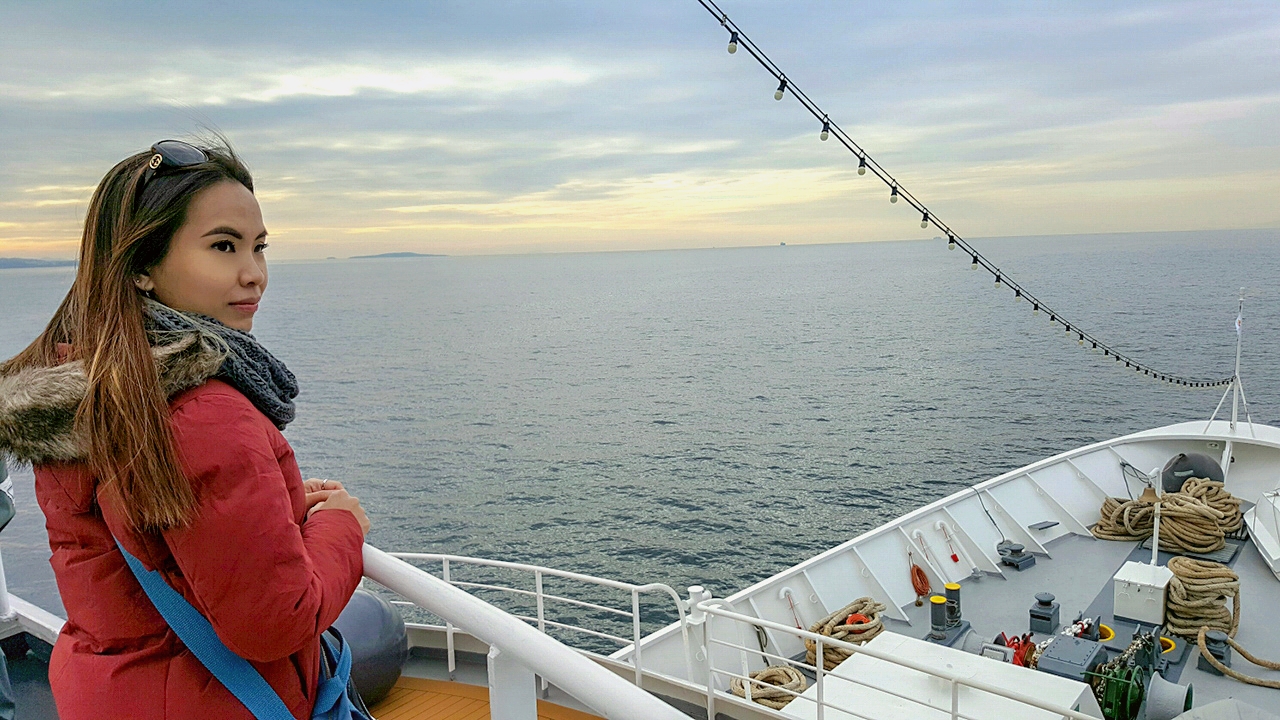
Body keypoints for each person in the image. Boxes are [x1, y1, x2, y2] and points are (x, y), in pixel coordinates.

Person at [0, 139, 371, 719]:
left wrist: (277, 508)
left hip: (113, 690)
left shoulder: (90, 387)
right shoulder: (200, 412)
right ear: (141, 267)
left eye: (258, 247)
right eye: (223, 246)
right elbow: (274, 622)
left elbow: (161, 542)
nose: (254, 275)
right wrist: (342, 527)